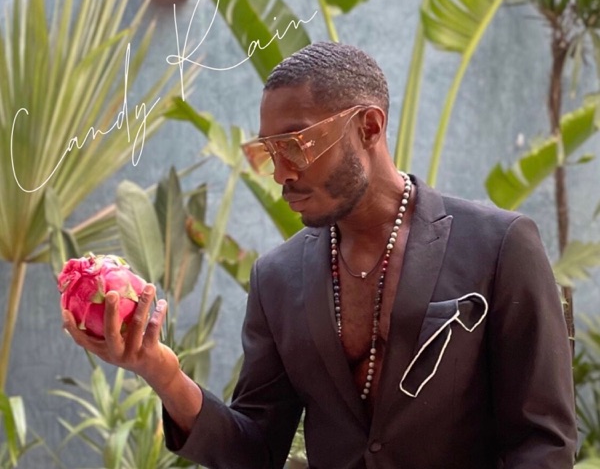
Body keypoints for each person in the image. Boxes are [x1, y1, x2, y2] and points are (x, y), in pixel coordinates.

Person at [63, 41, 578, 468]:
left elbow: (543, 444)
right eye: (269, 151)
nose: (280, 172)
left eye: (295, 144)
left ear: (369, 127)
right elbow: (255, 450)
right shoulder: (278, 278)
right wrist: (162, 373)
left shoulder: (498, 246)